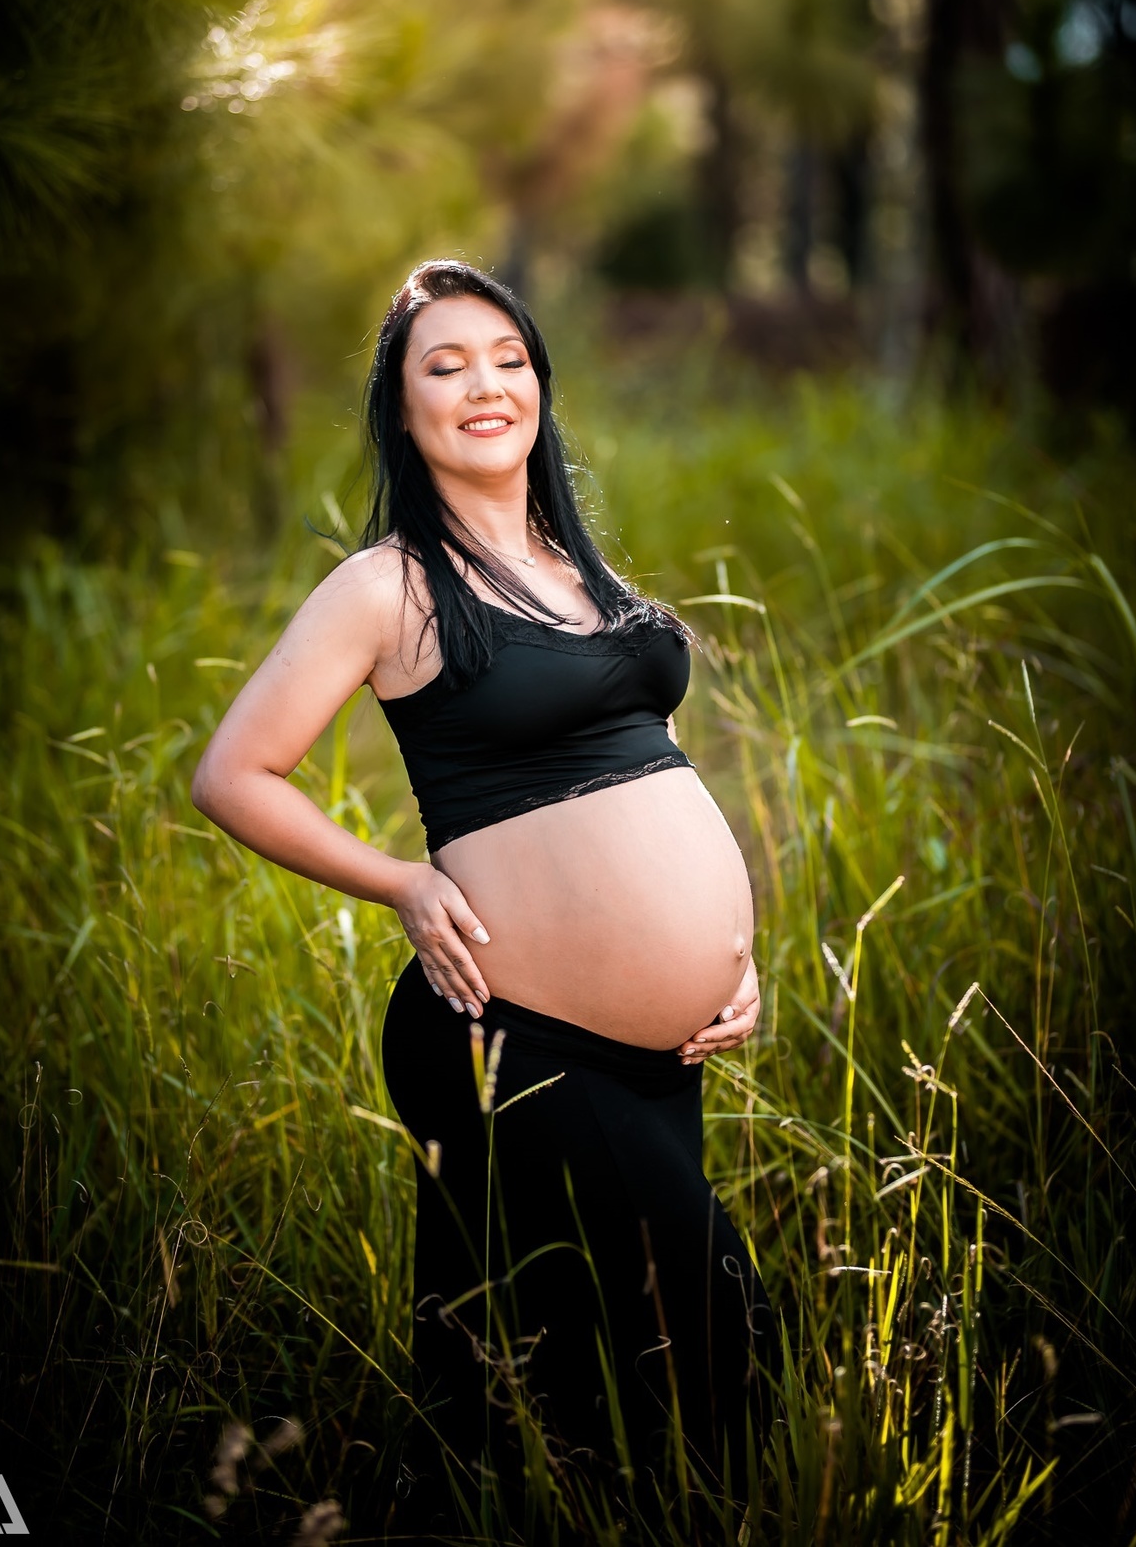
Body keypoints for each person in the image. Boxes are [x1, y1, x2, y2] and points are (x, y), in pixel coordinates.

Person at [191, 259, 780, 1530]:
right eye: (442, 366)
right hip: (501, 1030)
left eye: (507, 357)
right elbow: (234, 774)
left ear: (541, 386)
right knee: (719, 1300)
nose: (483, 384)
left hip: (661, 1049)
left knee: (571, 1367)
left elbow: (653, 782)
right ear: (402, 416)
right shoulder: (391, 585)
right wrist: (402, 880)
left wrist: (730, 958)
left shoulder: (578, 569)